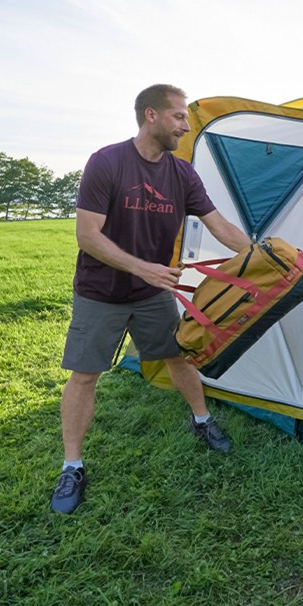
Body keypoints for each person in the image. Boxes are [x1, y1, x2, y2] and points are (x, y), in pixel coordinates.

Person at [50, 84, 250, 515]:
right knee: (84, 376)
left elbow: (219, 225)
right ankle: (72, 466)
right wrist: (143, 267)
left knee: (178, 357)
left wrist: (261, 254)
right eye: (179, 116)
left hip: (152, 292)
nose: (186, 126)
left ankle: (202, 420)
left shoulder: (182, 174)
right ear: (151, 115)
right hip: (100, 292)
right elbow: (87, 236)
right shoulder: (107, 162)